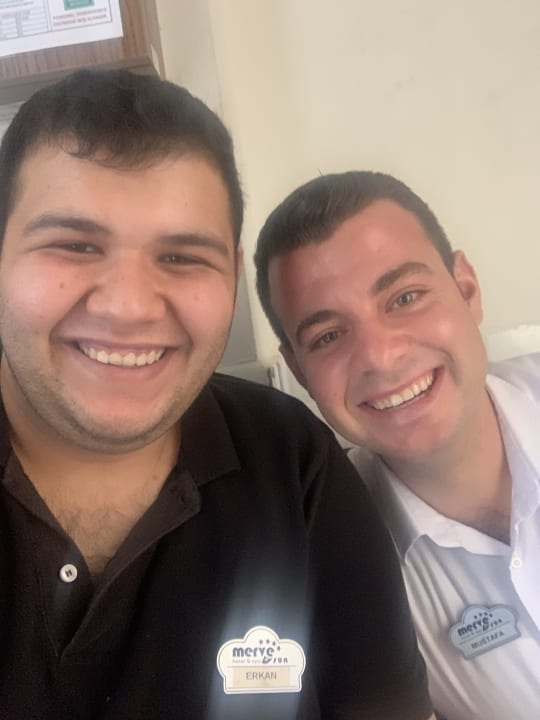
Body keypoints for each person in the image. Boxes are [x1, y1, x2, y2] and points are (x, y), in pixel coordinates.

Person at [0, 72, 434, 720]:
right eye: (74, 245)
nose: (128, 307)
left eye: (182, 257)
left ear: (231, 273)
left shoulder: (293, 460)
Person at [254, 170, 540, 720]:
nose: (380, 357)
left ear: (467, 290)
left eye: (405, 297)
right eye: (328, 336)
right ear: (299, 371)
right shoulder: (335, 564)